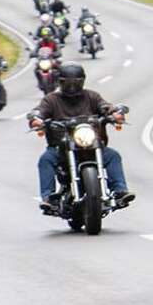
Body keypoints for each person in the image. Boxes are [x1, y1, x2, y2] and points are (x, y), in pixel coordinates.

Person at [28, 63, 134, 212]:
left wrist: (114, 113)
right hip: (61, 148)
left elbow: (105, 106)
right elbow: (40, 111)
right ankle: (48, 198)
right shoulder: (51, 99)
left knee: (112, 156)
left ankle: (119, 192)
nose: (72, 86)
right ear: (60, 81)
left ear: (82, 81)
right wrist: (36, 119)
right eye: (67, 82)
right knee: (46, 159)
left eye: (76, 82)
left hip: (90, 145)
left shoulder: (92, 96)